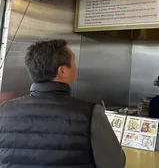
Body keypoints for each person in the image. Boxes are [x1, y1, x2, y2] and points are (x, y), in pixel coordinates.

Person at [0, 39, 126, 168]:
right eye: (73, 61)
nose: (75, 67)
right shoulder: (90, 113)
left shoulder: (3, 110)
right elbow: (115, 164)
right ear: (63, 71)